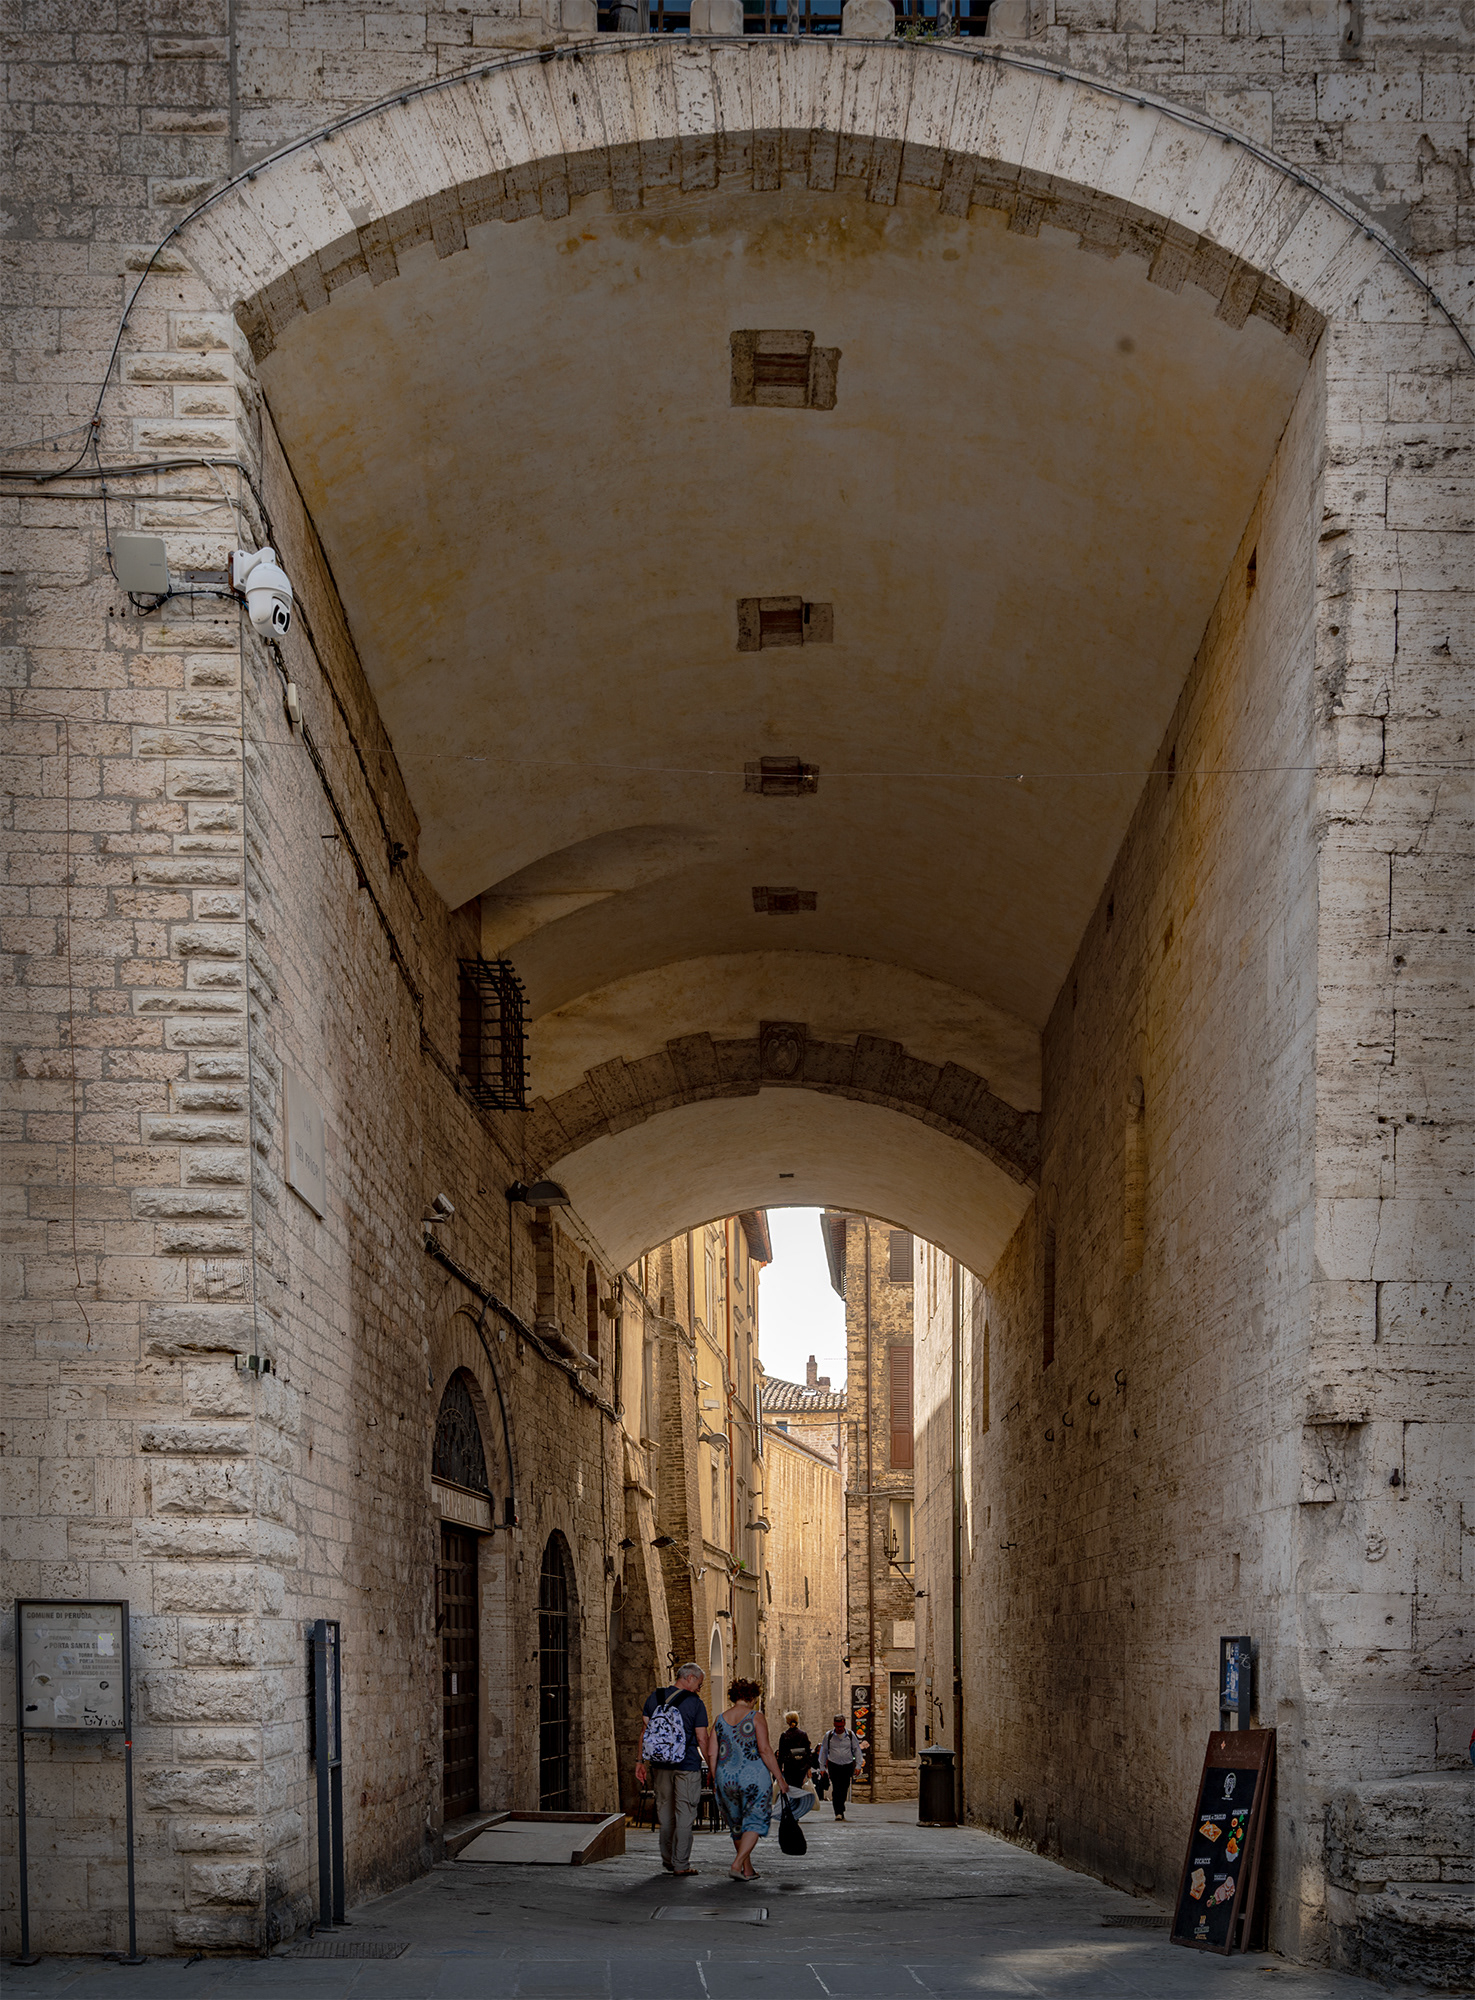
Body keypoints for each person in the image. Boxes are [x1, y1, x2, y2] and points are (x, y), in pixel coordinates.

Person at [708, 1677, 792, 1880]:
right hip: (754, 1778)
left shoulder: (719, 1720)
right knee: (755, 1821)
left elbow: (711, 1753)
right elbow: (764, 1750)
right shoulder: (756, 1717)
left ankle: (747, 1869)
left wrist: (715, 1778)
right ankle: (737, 1864)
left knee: (737, 1825)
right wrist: (780, 1778)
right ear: (752, 1697)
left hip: (726, 1778)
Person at [636, 1663, 710, 1876]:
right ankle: (681, 1864)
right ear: (689, 1678)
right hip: (687, 1765)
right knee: (685, 1814)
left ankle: (668, 1860)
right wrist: (712, 1765)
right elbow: (702, 1739)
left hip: (660, 1765)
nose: (699, 1688)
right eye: (699, 1683)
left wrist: (640, 1761)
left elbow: (645, 1732)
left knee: (666, 1814)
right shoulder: (696, 1704)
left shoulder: (655, 1697)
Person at [817, 1713, 865, 1820]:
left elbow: (857, 1750)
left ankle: (841, 1806)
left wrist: (858, 1765)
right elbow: (823, 1751)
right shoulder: (829, 1736)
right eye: (837, 1726)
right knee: (836, 1788)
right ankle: (838, 1812)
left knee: (844, 1788)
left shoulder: (850, 1735)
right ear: (834, 1725)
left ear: (844, 1724)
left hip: (847, 1765)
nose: (839, 1729)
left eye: (841, 1726)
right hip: (834, 1765)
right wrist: (822, 1767)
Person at [776, 1712, 813, 1792]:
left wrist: (779, 1769)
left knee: (791, 1789)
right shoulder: (803, 1734)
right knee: (799, 1787)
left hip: (789, 1767)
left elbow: (781, 1754)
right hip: (801, 1767)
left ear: (787, 1722)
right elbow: (808, 1753)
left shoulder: (784, 1735)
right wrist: (808, 1768)